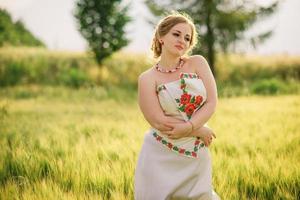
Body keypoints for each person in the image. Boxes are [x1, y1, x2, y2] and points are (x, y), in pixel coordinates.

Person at [134, 11, 220, 200]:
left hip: (196, 151)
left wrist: (191, 127)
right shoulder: (147, 78)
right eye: (176, 34)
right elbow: (158, 121)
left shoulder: (198, 63)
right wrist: (198, 130)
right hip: (160, 153)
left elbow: (212, 101)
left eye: (187, 38)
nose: (183, 40)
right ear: (161, 37)